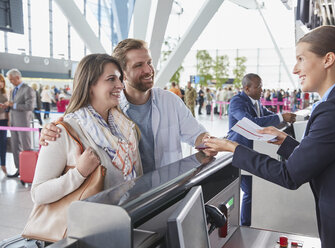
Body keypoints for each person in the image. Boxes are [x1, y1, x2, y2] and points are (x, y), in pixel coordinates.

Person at [203, 25, 335, 248]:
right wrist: (285, 142)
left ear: (328, 59)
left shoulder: (334, 109)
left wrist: (233, 148)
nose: (295, 69)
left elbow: (290, 175)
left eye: (301, 59)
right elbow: (320, 157)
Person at [40, 39, 214, 174]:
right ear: (122, 73)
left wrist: (210, 143)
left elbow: (197, 135)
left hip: (166, 189)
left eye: (149, 62)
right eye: (139, 65)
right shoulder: (110, 108)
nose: (149, 70)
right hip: (128, 196)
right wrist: (50, 131)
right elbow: (79, 121)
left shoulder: (169, 101)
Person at [31, 53, 142, 206]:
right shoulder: (62, 131)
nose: (120, 85)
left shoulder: (126, 128)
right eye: (111, 79)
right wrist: (79, 173)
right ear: (89, 86)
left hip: (124, 218)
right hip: (86, 226)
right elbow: (38, 194)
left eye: (120, 79)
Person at [227, 73, 296, 227]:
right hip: (239, 150)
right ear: (247, 88)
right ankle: (245, 225)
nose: (261, 90)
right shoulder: (237, 102)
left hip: (253, 151)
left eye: (261, 86)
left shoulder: (257, 103)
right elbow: (249, 122)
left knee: (253, 190)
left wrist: (283, 117)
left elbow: (267, 115)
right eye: (258, 87)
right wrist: (280, 117)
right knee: (250, 191)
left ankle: (250, 222)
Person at [3, 69, 36, 178]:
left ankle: (29, 171)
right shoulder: (13, 90)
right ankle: (19, 169)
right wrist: (8, 106)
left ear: (18, 77)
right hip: (13, 122)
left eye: (11, 79)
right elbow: (12, 105)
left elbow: (30, 106)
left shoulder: (28, 89)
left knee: (26, 146)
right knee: (14, 146)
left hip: (23, 123)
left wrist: (14, 105)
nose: (10, 81)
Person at [0, 74, 9, 175]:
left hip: (3, 120)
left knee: (3, 142)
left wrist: (6, 106)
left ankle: (3, 164)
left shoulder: (6, 93)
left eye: (2, 81)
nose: (1, 83)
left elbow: (9, 108)